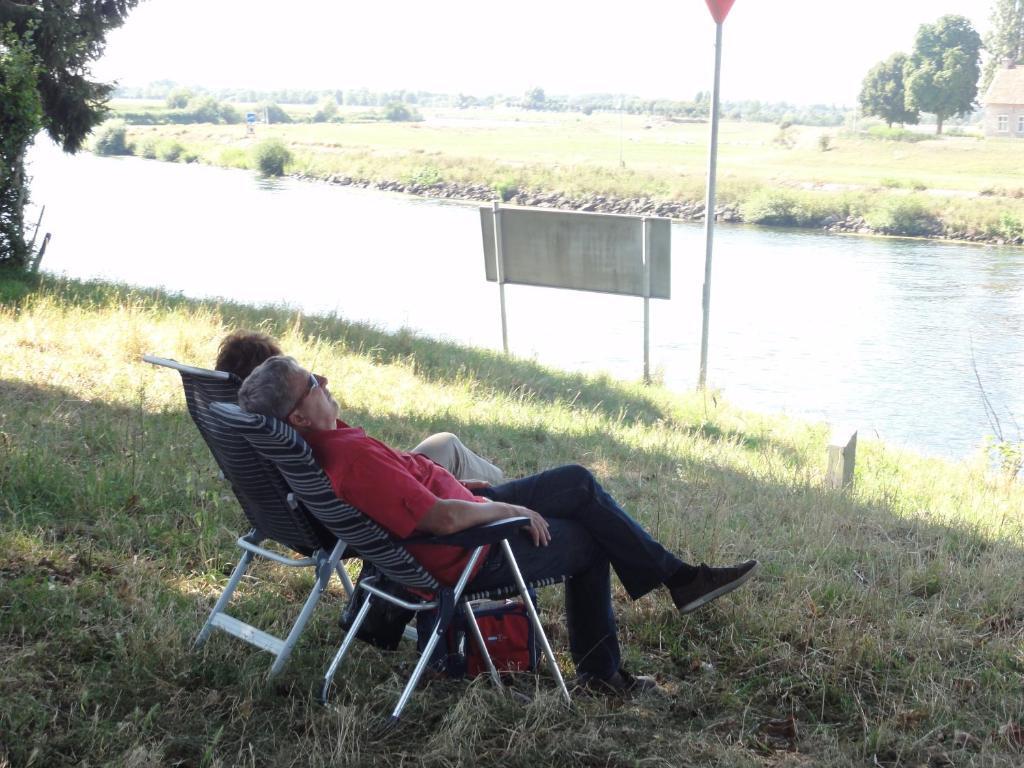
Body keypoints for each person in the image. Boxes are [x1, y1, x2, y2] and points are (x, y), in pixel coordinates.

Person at [238, 355, 759, 694]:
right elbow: (442, 519)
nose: (325, 380)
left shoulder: (332, 445)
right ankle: (604, 675)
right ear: (298, 417)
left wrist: (471, 491)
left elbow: (428, 498)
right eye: (313, 382)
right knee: (592, 539)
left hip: (464, 510)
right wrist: (509, 512)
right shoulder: (352, 462)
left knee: (577, 482)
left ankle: (679, 578)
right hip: (470, 549)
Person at [214, 330, 504, 485]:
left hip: (313, 518)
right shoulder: (298, 431)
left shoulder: (247, 433)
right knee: (448, 445)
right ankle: (508, 500)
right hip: (385, 497)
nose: (320, 381)